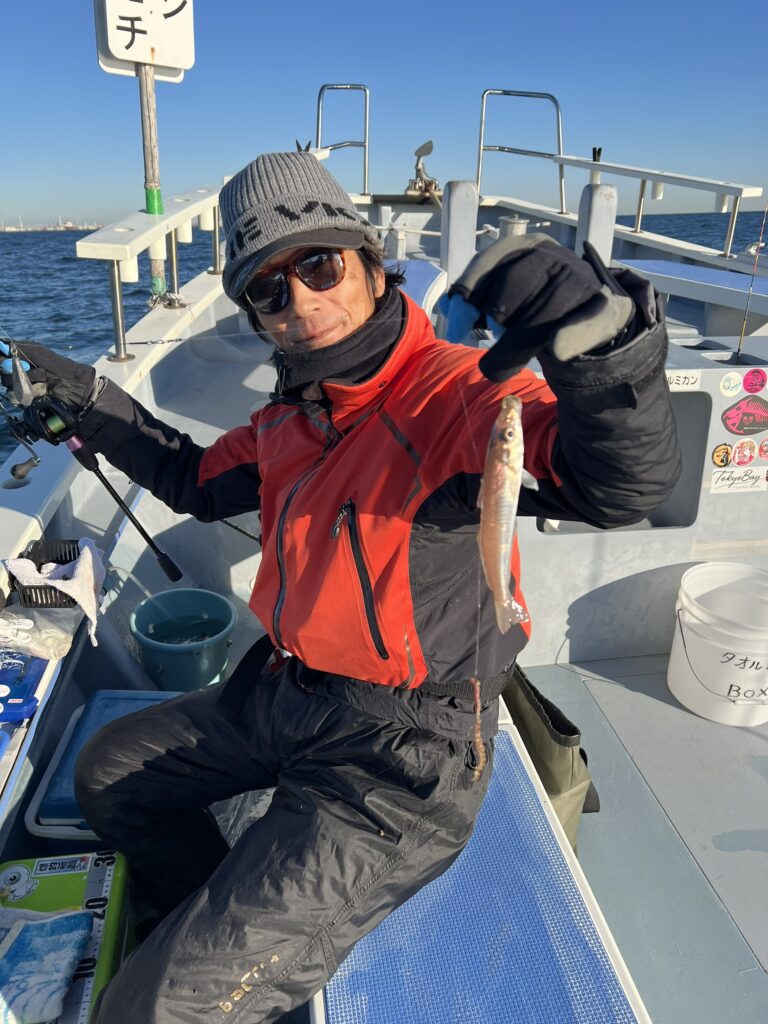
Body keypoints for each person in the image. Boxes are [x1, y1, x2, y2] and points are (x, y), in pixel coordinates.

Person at [0, 151, 681, 1023]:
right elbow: (193, 480)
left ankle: (207, 977)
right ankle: (230, 948)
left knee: (150, 1011)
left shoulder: (461, 397)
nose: (300, 301)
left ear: (371, 263)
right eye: (268, 289)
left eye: (318, 265)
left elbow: (620, 485)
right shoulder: (289, 416)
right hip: (286, 693)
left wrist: (609, 350)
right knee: (111, 774)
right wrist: (91, 399)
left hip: (402, 759)